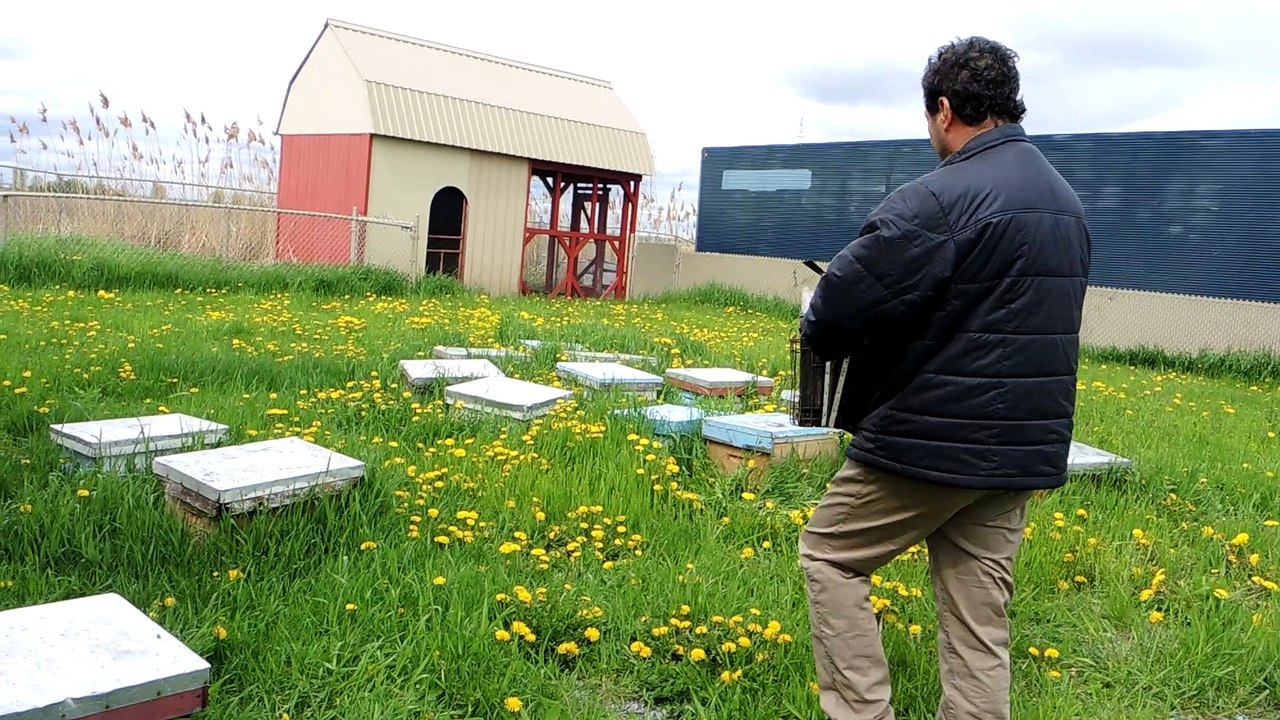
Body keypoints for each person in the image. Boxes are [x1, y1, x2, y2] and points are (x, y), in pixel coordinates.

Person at [797, 36, 1092, 720]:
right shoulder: (1066, 205)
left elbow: (835, 309)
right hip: (1021, 451)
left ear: (945, 109)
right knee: (977, 618)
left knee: (830, 556)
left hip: (929, 442)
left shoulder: (938, 200)